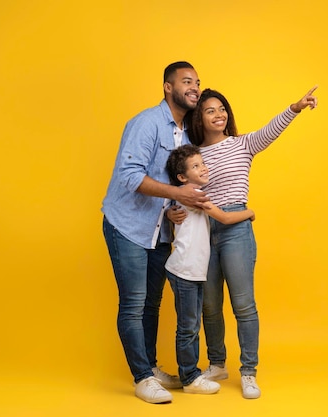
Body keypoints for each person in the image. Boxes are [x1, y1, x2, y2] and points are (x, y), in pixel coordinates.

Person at [174, 85, 318, 399]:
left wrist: (294, 107)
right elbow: (180, 185)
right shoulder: (193, 151)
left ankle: (249, 371)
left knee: (243, 305)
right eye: (210, 110)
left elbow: (271, 129)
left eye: (222, 109)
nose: (218, 114)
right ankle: (217, 364)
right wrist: (173, 212)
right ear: (199, 117)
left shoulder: (243, 144)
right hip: (202, 229)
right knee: (209, 306)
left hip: (235, 229)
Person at [101, 61, 210, 404]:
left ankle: (149, 366)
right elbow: (130, 177)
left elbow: (172, 182)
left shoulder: (188, 134)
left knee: (151, 304)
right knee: (133, 304)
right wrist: (178, 195)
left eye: (197, 82)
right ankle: (142, 377)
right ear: (167, 86)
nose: (194, 87)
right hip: (127, 226)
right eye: (186, 81)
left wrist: (173, 208)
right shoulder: (145, 123)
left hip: (159, 231)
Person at [164, 144, 255, 395]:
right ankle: (190, 376)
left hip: (189, 269)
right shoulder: (195, 194)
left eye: (202, 163)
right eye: (196, 166)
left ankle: (192, 373)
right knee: (188, 327)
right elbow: (224, 218)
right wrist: (249, 212)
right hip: (184, 269)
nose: (203, 168)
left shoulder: (186, 193)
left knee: (191, 324)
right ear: (182, 177)